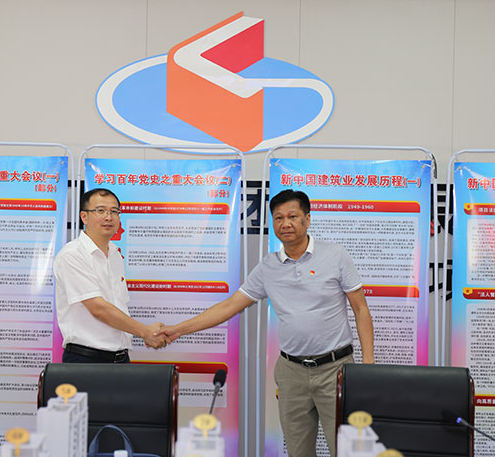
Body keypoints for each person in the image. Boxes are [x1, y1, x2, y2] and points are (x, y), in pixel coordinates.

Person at [157, 189, 374, 456]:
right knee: (298, 451)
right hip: (291, 372)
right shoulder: (268, 267)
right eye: (279, 218)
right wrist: (177, 330)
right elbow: (228, 306)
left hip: (335, 369)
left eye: (292, 216)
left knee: (346, 449)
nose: (286, 223)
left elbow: (361, 309)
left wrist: (368, 365)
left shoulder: (336, 255)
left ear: (307, 219)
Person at [53, 188, 169, 364]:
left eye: (114, 211)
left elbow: (117, 306)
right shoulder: (72, 254)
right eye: (100, 211)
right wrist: (145, 332)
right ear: (84, 217)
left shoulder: (114, 254)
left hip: (120, 358)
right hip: (86, 360)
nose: (109, 217)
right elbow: (98, 308)